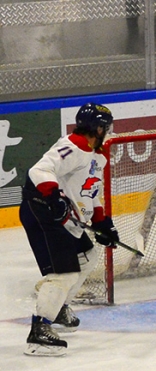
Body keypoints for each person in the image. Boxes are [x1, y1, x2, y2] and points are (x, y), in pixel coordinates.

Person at [20, 103, 120, 357]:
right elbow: (39, 170)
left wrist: (102, 223)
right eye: (105, 127)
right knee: (63, 273)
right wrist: (53, 197)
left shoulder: (97, 158)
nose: (107, 132)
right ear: (97, 128)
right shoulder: (73, 145)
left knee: (87, 258)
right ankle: (40, 331)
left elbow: (90, 194)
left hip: (65, 219)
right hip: (43, 212)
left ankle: (59, 307)